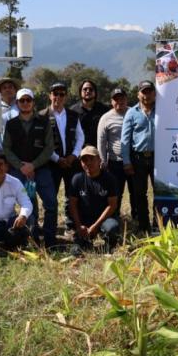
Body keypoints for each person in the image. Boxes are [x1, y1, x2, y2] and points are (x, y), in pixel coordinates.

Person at [3, 88, 57, 248]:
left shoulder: (44, 121)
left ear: (33, 102)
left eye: (28, 100)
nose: (25, 103)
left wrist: (33, 165)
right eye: (22, 100)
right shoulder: (11, 124)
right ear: (17, 103)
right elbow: (6, 148)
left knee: (51, 203)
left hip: (41, 169)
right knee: (29, 206)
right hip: (20, 172)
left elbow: (49, 148)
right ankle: (33, 240)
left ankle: (50, 240)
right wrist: (21, 166)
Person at [40, 82, 84, 231]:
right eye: (55, 93)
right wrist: (56, 158)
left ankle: (70, 225)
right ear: (50, 95)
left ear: (66, 97)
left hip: (71, 162)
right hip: (51, 163)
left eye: (61, 94)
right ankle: (50, 227)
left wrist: (74, 155)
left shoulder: (73, 115)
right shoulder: (42, 115)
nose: (58, 97)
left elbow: (80, 137)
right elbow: (41, 142)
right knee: (50, 197)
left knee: (71, 195)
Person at [69, 146, 120, 253]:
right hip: (84, 220)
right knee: (75, 251)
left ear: (99, 160)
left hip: (104, 219)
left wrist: (96, 226)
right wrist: (79, 226)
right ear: (81, 163)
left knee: (112, 228)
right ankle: (84, 241)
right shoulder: (77, 179)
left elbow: (112, 205)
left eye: (92, 159)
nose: (88, 162)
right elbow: (72, 204)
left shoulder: (109, 179)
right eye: (84, 160)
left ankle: (108, 246)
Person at [121, 80, 156, 234]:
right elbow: (125, 139)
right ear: (138, 94)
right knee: (140, 194)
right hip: (138, 159)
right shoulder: (131, 113)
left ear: (154, 93)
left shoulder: (163, 110)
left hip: (158, 158)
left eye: (149, 91)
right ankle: (143, 225)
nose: (146, 95)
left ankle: (158, 224)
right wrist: (127, 162)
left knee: (159, 192)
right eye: (143, 92)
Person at [97, 87, 135, 219]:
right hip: (115, 163)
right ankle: (114, 219)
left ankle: (136, 218)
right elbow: (101, 142)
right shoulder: (105, 118)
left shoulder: (134, 113)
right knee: (115, 194)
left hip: (134, 161)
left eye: (122, 98)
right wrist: (103, 161)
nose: (119, 101)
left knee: (136, 192)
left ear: (127, 99)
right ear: (111, 101)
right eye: (116, 99)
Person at [70, 79, 110, 148]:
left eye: (91, 89)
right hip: (79, 150)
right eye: (85, 89)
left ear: (95, 92)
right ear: (80, 92)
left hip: (100, 150)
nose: (88, 91)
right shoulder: (73, 111)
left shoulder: (104, 110)